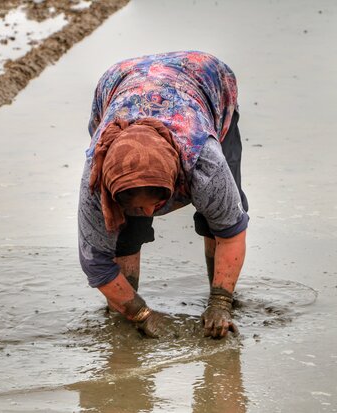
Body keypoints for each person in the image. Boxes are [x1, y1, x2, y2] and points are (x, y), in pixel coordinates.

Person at [78, 51, 249, 339]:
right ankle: (121, 313)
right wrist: (140, 313)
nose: (150, 214)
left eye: (155, 206)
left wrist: (220, 304)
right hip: (119, 80)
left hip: (202, 77)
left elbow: (231, 231)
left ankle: (220, 295)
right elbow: (95, 262)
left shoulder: (204, 161)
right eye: (139, 208)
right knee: (123, 230)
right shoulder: (97, 180)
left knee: (216, 219)